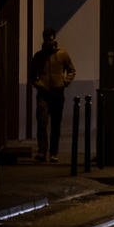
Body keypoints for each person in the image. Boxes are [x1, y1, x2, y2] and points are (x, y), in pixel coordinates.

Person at [31, 28, 75, 163]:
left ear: (54, 38)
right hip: (43, 92)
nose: (48, 42)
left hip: (57, 92)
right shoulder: (39, 56)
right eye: (46, 39)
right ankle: (42, 151)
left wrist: (64, 82)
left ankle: (54, 152)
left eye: (50, 39)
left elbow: (71, 70)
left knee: (56, 124)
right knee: (42, 122)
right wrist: (38, 83)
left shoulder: (62, 55)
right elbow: (32, 73)